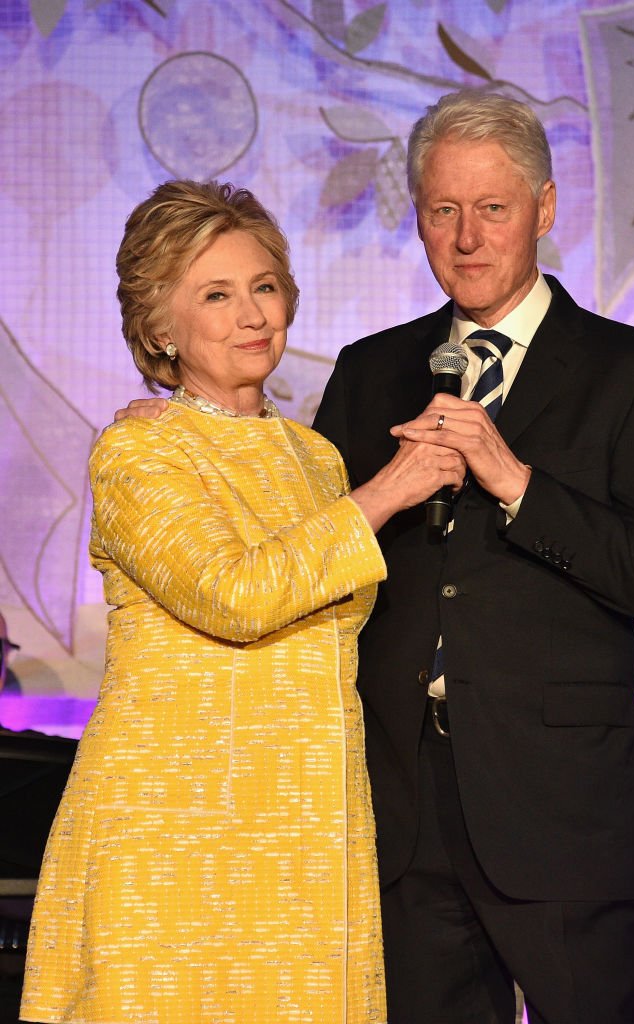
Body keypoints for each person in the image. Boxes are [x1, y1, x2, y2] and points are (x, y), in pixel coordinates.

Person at [114, 92, 634, 1024]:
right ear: (420, 218)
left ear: (545, 210)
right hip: (393, 813)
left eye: (494, 209)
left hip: (555, 812)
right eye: (443, 211)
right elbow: (296, 567)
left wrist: (514, 480)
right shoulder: (369, 369)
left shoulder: (632, 370)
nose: (467, 238)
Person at [20, 180, 464, 1024]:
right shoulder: (138, 449)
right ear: (159, 327)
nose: (251, 314)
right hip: (178, 825)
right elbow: (236, 594)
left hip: (307, 821)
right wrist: (387, 493)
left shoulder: (314, 459)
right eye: (215, 295)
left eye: (262, 286)